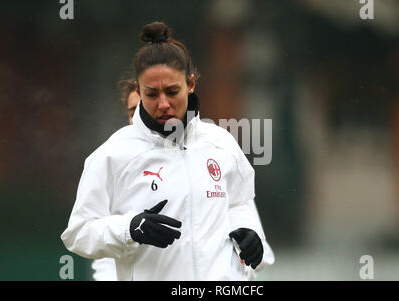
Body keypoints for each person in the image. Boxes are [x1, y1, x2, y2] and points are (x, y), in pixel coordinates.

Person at [61, 21, 274, 280]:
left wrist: (252, 235)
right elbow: (78, 234)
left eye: (172, 91)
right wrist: (129, 228)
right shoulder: (112, 155)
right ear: (138, 91)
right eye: (151, 94)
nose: (163, 104)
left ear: (191, 84)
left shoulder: (221, 143)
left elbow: (240, 203)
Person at [90, 79, 140, 281]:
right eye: (132, 111)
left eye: (142, 109)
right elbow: (92, 235)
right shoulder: (114, 160)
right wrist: (131, 227)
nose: (137, 118)